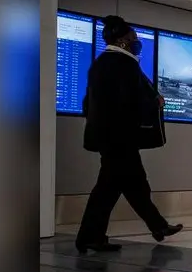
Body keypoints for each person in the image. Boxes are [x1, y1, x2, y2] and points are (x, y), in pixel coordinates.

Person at [76, 15, 182, 253]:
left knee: (129, 184)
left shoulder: (101, 63)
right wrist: (154, 103)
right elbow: (128, 102)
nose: (137, 42)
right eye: (133, 38)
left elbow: (88, 102)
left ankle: (156, 226)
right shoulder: (123, 64)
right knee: (115, 187)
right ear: (123, 41)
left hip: (108, 137)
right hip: (119, 138)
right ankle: (89, 237)